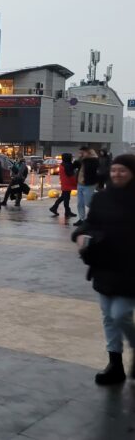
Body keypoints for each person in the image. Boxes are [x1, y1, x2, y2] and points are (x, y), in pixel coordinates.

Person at [73, 154, 135, 385]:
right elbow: (90, 223)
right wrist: (80, 235)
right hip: (104, 264)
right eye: (115, 170)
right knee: (108, 317)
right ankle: (115, 365)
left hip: (130, 268)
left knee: (120, 314)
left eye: (123, 170)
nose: (117, 174)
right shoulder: (101, 198)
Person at [73, 146, 99, 226]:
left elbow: (91, 169)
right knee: (80, 203)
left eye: (82, 153)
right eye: (80, 153)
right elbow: (73, 166)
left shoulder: (93, 160)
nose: (80, 154)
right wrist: (79, 159)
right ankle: (82, 219)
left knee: (88, 202)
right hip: (80, 184)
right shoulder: (82, 160)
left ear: (88, 153)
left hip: (89, 184)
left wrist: (86, 159)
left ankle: (97, 215)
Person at [49, 153, 77, 218]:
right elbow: (70, 175)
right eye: (71, 157)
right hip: (67, 183)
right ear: (68, 158)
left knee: (63, 197)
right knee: (66, 198)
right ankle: (67, 212)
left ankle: (54, 208)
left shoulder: (64, 164)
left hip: (65, 183)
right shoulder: (67, 165)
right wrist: (76, 182)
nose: (72, 158)